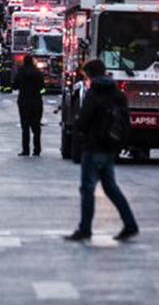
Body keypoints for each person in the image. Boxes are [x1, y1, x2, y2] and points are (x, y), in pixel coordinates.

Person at [64, 60, 139, 242]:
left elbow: (83, 120)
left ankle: (85, 229)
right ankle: (130, 225)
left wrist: (77, 132)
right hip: (110, 146)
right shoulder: (117, 93)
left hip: (93, 145)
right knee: (111, 187)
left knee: (88, 189)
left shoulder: (94, 92)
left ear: (89, 74)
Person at [13, 55, 44, 157]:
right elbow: (42, 87)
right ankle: (37, 150)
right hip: (36, 101)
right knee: (36, 127)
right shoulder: (38, 73)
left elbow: (15, 86)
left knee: (25, 127)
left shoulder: (21, 72)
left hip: (24, 101)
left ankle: (26, 150)